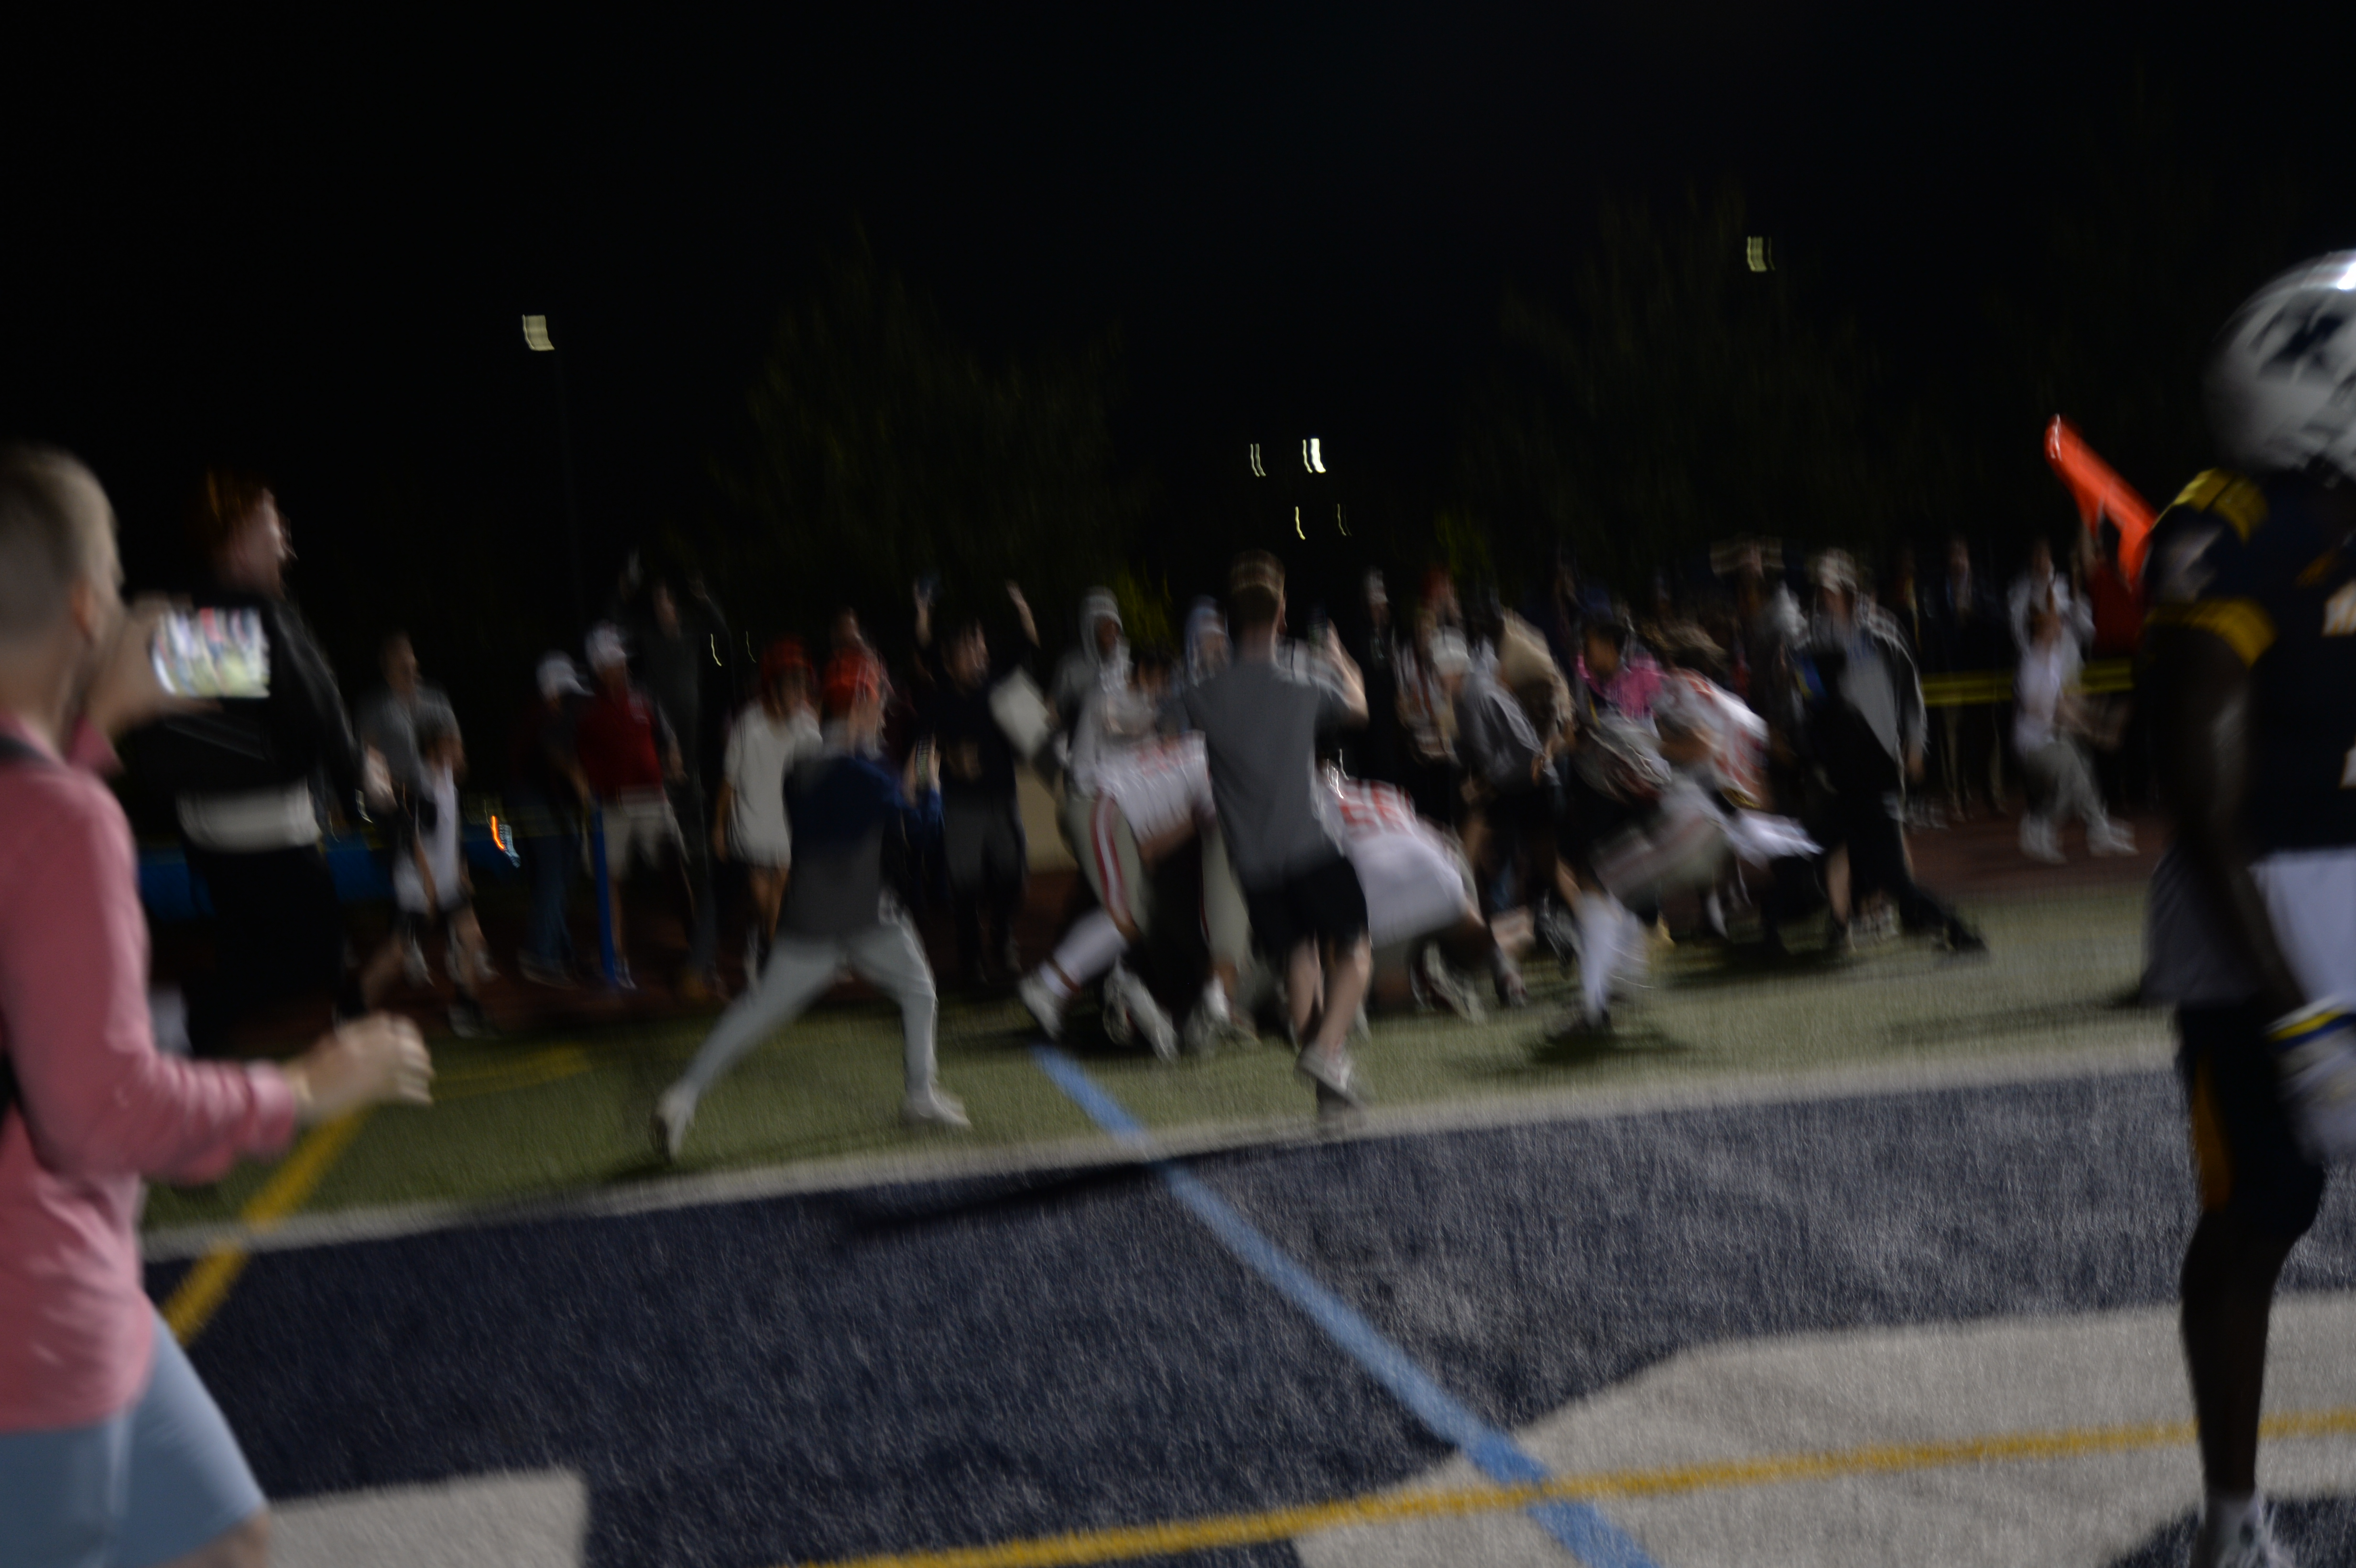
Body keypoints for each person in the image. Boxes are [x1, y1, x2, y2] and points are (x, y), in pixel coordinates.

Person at [0, 444, 432, 1568]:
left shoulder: (49, 797)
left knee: (225, 1538)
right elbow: (93, 1113)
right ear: (86, 606)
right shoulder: (67, 822)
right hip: (37, 1305)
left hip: (78, 1276)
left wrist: (97, 729)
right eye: (117, 578)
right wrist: (301, 1088)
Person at [2140, 254, 2356, 1568]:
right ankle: (2231, 1519)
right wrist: (2302, 1013)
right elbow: (2206, 804)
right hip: (2263, 920)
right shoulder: (2224, 532)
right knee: (2259, 1214)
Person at [651, 651, 965, 1158]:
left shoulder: (803, 767)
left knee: (756, 1010)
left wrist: (901, 788)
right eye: (877, 701)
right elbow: (923, 832)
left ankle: (682, 1096)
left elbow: (852, 800)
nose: (883, 711)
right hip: (866, 915)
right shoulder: (869, 771)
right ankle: (919, 1095)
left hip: (809, 919)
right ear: (860, 703)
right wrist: (929, 788)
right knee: (920, 991)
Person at [128, 471, 367, 1055]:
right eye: (272, 521)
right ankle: (166, 1019)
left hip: (205, 833)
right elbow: (318, 710)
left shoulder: (184, 617)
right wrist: (358, 782)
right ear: (237, 541)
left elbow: (177, 736)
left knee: (245, 954)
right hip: (266, 826)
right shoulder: (262, 614)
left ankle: (187, 1053)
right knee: (315, 956)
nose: (285, 535)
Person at [1184, 552, 1372, 1120]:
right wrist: (1341, 658)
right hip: (1309, 845)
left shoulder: (1203, 691)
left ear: (1229, 619)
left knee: (1298, 958)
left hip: (1253, 862)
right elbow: (1359, 709)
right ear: (1281, 614)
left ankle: (1329, 1096)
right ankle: (1325, 1049)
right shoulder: (1302, 679)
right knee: (1355, 951)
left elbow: (1154, 716)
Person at [1804, 550, 1984, 956]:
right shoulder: (1815, 638)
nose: (1827, 596)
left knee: (1893, 873)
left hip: (1880, 764)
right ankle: (1843, 926)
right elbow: (1813, 696)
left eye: (1833, 589)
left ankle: (1953, 927)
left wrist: (1915, 746)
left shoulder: (1882, 634)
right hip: (1842, 767)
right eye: (1823, 590)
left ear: (1849, 590)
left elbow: (1911, 695)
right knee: (1838, 847)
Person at [914, 583, 1041, 987]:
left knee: (1012, 878)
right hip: (962, 807)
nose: (980, 654)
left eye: (981, 646)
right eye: (970, 648)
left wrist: (1022, 608)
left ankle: (1002, 938)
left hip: (1004, 801)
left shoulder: (998, 685)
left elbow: (1029, 644)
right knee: (965, 888)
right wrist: (947, 760)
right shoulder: (938, 701)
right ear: (949, 662)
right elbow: (919, 757)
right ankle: (971, 957)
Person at [612, 573, 729, 1000]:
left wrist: (705, 598)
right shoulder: (646, 636)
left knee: (698, 846)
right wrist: (623, 595)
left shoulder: (692, 634)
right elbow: (614, 632)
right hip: (660, 754)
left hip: (690, 754)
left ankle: (702, 937)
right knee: (667, 848)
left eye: (668, 601)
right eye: (658, 601)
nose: (664, 608)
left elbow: (723, 636)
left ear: (677, 606)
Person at [359, 715, 495, 1036]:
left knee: (472, 938)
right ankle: (354, 1009)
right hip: (419, 885)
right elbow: (415, 841)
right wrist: (431, 891)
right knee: (397, 955)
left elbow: (451, 833)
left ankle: (466, 1009)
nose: (461, 752)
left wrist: (461, 871)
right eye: (454, 746)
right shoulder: (421, 784)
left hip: (447, 882)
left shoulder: (448, 780)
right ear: (435, 749)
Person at [574, 622, 687, 992]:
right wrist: (578, 781)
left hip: (653, 800)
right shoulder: (583, 706)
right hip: (611, 807)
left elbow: (667, 736)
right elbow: (559, 747)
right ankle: (616, 961)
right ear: (598, 666)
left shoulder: (643, 697)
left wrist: (673, 757)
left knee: (675, 869)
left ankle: (698, 954)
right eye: (613, 661)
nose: (622, 667)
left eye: (622, 660)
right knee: (610, 882)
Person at [713, 639, 821, 986]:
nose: (800, 696)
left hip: (788, 824)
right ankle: (768, 948)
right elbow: (729, 781)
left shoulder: (809, 728)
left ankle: (769, 955)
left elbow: (816, 781)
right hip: (752, 823)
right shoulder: (748, 725)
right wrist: (719, 828)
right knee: (764, 899)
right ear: (773, 688)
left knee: (780, 895)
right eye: (793, 688)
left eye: (803, 688)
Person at [2013, 597, 2134, 864]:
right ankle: (2039, 826)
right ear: (2042, 629)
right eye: (2055, 623)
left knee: (2085, 764)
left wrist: (2096, 717)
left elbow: (2066, 701)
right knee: (2074, 776)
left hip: (2051, 737)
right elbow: (2048, 711)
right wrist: (2093, 729)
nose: (2060, 627)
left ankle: (2099, 829)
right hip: (2033, 744)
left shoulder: (2054, 658)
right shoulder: (2030, 664)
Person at [510, 653, 593, 989]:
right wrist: (580, 783)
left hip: (547, 797)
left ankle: (558, 947)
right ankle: (540, 954)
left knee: (562, 866)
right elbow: (554, 754)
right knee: (554, 869)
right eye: (563, 692)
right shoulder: (542, 714)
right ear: (549, 690)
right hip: (530, 795)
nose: (568, 700)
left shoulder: (553, 713)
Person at [1922, 536, 2012, 821]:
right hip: (1949, 673)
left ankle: (1994, 796)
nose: (1958, 562)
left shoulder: (1984, 587)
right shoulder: (1936, 591)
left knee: (1989, 736)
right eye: (1953, 556)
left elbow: (2002, 621)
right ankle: (1955, 799)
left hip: (1982, 671)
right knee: (1950, 737)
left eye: (1962, 556)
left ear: (1969, 559)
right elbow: (1930, 630)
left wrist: (1975, 614)